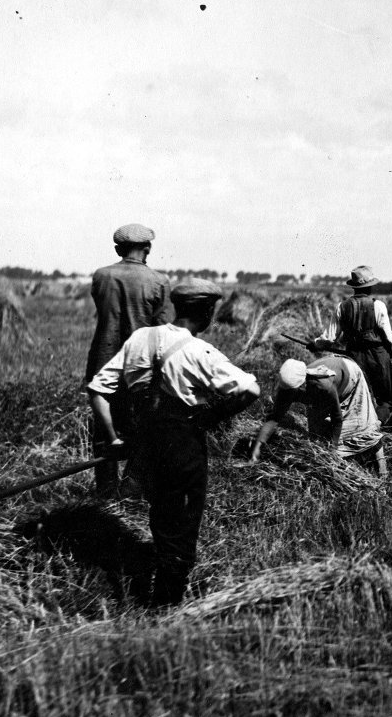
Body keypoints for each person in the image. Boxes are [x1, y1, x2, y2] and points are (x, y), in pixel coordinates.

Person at [86, 279, 260, 606]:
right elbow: (250, 390)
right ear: (207, 312)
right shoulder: (199, 351)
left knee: (162, 517)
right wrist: (211, 417)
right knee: (182, 525)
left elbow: (97, 390)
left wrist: (114, 438)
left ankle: (154, 593)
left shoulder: (140, 337)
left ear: (178, 306)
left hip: (144, 445)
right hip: (183, 445)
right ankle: (167, 606)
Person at [84, 223, 171, 496]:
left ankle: (106, 491)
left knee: (104, 426)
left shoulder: (101, 276)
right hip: (139, 364)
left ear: (118, 249)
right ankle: (132, 487)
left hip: (103, 357)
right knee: (142, 423)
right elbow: (163, 325)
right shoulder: (158, 281)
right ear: (147, 249)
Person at [249, 342, 388, 475]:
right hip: (325, 386)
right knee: (317, 435)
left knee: (360, 427)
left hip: (350, 376)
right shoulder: (287, 386)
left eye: (293, 391)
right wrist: (257, 449)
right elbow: (274, 418)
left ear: (302, 385)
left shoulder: (322, 385)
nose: (289, 394)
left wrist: (332, 450)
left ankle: (381, 468)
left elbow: (337, 418)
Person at [321, 265, 392, 420]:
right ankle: (379, 429)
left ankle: (358, 426)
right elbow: (388, 338)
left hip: (353, 357)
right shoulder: (378, 305)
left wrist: (315, 344)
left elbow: (330, 338)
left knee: (357, 398)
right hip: (377, 357)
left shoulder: (342, 307)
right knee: (385, 400)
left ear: (354, 287)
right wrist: (391, 350)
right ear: (370, 287)